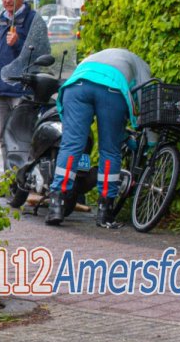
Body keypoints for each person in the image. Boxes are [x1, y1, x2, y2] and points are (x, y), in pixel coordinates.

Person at [46, 48, 152, 228]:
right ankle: (105, 212)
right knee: (110, 150)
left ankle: (56, 205)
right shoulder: (142, 66)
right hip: (111, 90)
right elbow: (147, 101)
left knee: (71, 146)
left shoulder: (97, 57)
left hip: (77, 85)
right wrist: (150, 141)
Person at [0, 0, 40, 149]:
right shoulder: (2, 21)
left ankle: (24, 175)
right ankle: (8, 175)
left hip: (21, 90)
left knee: (23, 137)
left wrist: (18, 43)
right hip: (1, 90)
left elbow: (39, 52)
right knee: (4, 138)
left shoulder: (33, 19)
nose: (8, 0)